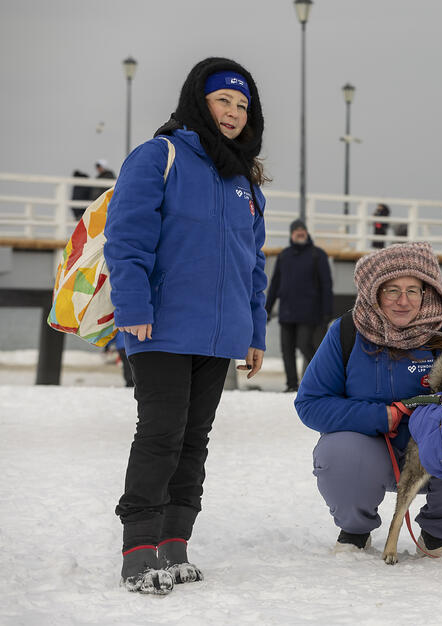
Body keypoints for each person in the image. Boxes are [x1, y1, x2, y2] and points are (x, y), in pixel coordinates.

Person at [103, 57, 268, 594]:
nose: (234, 112)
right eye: (224, 100)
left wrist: (254, 331)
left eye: (242, 105)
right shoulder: (159, 156)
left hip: (220, 334)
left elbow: (253, 263)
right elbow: (126, 240)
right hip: (161, 328)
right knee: (160, 435)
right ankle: (138, 548)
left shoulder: (243, 178)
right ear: (200, 101)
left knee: (194, 439)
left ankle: (175, 543)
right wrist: (133, 311)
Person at [294, 242, 442, 555]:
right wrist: (381, 416)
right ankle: (355, 530)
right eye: (392, 290)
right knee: (339, 453)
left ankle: (438, 533)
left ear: (427, 291)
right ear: (374, 293)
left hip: (433, 451)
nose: (403, 301)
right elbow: (310, 403)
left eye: (412, 290)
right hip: (371, 448)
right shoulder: (347, 331)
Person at [265, 219, 334, 392]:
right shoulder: (284, 255)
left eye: (302, 230)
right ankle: (291, 385)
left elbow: (327, 285)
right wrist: (266, 310)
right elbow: (274, 284)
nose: (300, 232)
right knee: (286, 350)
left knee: (305, 346)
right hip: (286, 311)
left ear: (307, 233)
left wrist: (327, 312)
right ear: (291, 234)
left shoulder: (317, 254)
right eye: (296, 230)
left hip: (309, 312)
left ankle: (322, 379)